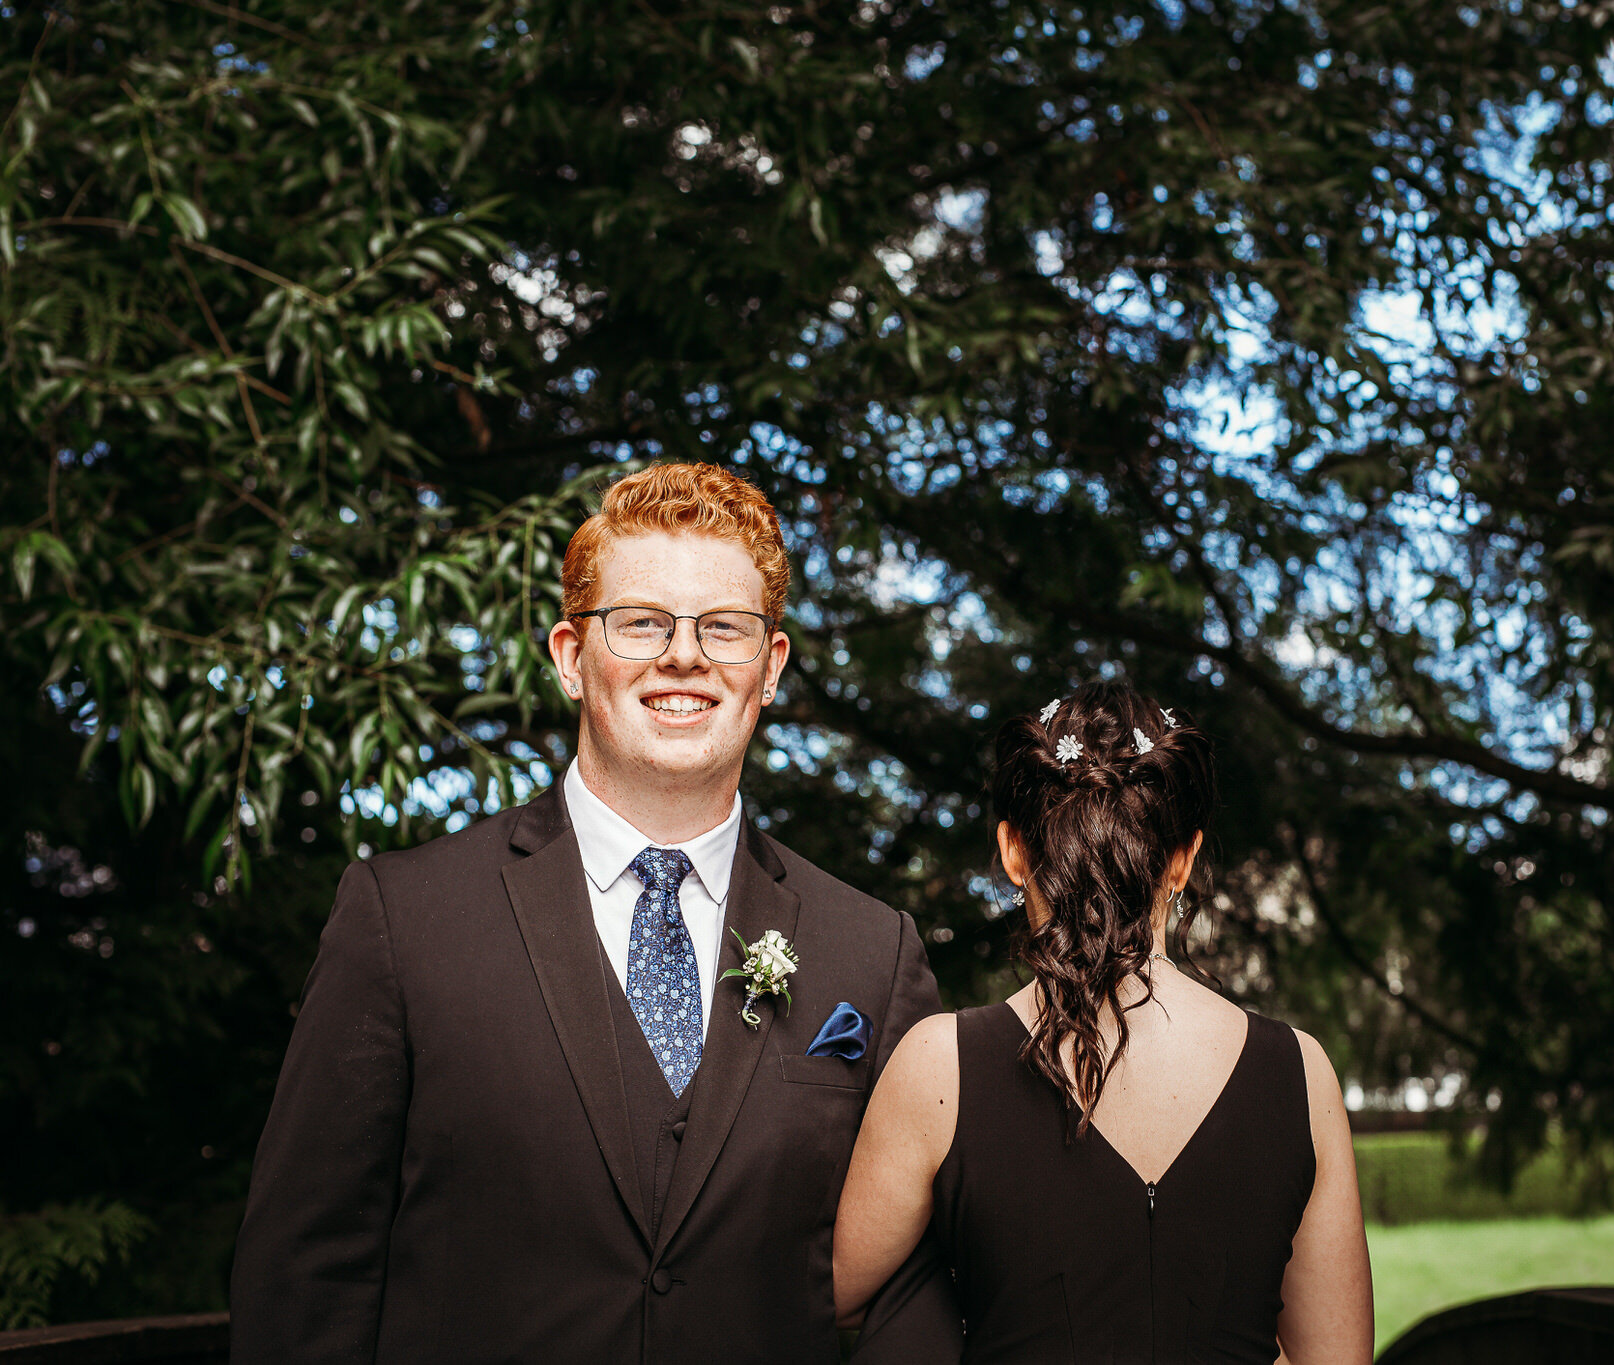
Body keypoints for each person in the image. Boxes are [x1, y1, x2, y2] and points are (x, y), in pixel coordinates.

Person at [231, 462, 960, 1364]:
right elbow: (305, 1277)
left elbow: (921, 1286)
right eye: (642, 621)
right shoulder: (402, 918)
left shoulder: (872, 952)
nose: (684, 655)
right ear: (574, 657)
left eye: (723, 627)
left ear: (768, 668)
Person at [834, 681, 1375, 1363]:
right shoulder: (1299, 1072)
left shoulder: (940, 1066)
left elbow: (832, 1295)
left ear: (1012, 852)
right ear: (1182, 859)